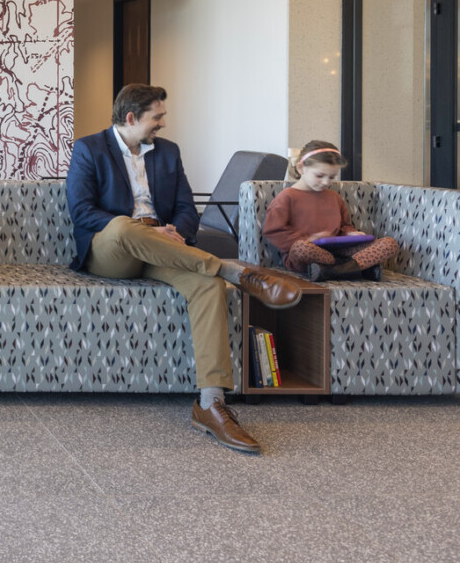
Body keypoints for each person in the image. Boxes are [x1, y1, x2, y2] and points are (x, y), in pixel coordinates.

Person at [67, 83, 312, 455]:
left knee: (206, 286)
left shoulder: (168, 153)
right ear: (132, 118)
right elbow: (82, 211)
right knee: (122, 226)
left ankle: (211, 405)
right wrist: (144, 228)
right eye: (157, 116)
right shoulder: (89, 149)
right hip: (112, 250)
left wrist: (174, 232)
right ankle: (235, 272)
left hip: (165, 251)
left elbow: (185, 207)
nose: (163, 123)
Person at [263, 142, 400, 281]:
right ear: (301, 168)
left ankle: (334, 271)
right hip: (310, 253)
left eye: (331, 177)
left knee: (389, 243)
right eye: (320, 175)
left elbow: (344, 226)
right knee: (301, 248)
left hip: (338, 251)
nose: (325, 182)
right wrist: (308, 240)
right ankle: (358, 269)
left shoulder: (334, 197)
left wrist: (350, 233)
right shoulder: (287, 197)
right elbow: (273, 231)